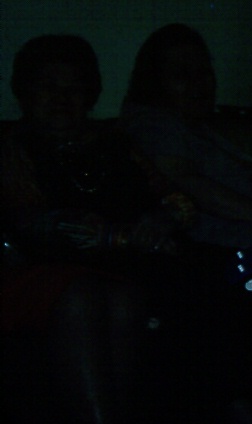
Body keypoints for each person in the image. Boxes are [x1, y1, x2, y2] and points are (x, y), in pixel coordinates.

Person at [1, 34, 189, 423]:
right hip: (41, 271)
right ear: (25, 92)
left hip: (121, 268)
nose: (62, 97)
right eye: (49, 86)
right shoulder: (13, 148)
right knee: (83, 295)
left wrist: (160, 221)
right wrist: (110, 235)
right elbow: (26, 220)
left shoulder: (117, 143)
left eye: (74, 87)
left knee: (125, 298)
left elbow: (176, 202)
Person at [120, 23, 252, 249]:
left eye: (204, 72)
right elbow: (189, 184)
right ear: (154, 82)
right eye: (182, 75)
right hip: (242, 243)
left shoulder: (195, 125)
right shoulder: (153, 124)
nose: (198, 84)